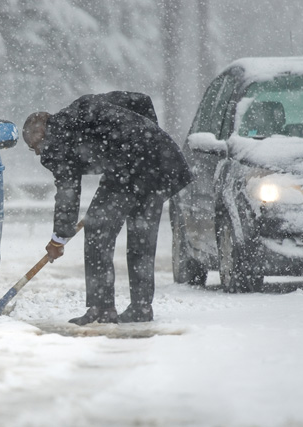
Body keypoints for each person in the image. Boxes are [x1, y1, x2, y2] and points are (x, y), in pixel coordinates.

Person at [22, 91, 193, 325]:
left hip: (129, 168)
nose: (39, 153)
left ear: (41, 131)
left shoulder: (56, 140)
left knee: (96, 232)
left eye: (34, 146)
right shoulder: (84, 107)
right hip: (161, 163)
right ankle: (141, 307)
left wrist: (58, 239)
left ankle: (102, 308)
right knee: (141, 236)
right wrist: (148, 138)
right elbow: (141, 100)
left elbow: (68, 194)